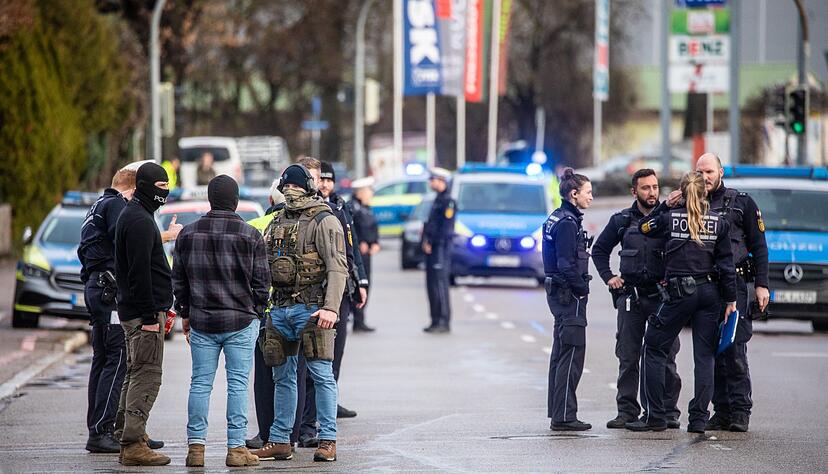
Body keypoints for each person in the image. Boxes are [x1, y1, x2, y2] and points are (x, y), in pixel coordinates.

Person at [626, 171, 737, 433]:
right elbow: (726, 265)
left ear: (681, 193)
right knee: (705, 357)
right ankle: (698, 419)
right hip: (710, 294)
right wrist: (731, 299)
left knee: (653, 348)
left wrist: (665, 204)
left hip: (679, 294)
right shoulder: (718, 223)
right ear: (705, 193)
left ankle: (656, 417)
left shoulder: (668, 218)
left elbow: (643, 227)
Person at [251, 164, 348, 463]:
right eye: (286, 185)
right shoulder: (276, 220)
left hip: (313, 309)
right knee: (283, 377)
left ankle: (327, 440)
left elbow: (337, 266)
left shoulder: (325, 220)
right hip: (279, 309)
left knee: (321, 375)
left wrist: (331, 307)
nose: (290, 190)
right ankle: (280, 440)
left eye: (295, 185)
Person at [172, 175, 269, 467]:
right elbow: (262, 282)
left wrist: (186, 314)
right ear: (236, 201)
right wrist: (257, 312)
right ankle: (236, 449)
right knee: (238, 384)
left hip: (202, 321)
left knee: (200, 383)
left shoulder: (187, 234)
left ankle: (196, 449)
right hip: (241, 320)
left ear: (210, 200)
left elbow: (179, 281)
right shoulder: (250, 235)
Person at [591, 169, 682, 430]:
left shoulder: (668, 219)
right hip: (631, 296)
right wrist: (609, 277)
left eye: (654, 187)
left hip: (661, 297)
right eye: (645, 188)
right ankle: (627, 411)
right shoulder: (621, 220)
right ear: (635, 192)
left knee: (665, 356)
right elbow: (599, 251)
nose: (652, 193)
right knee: (628, 356)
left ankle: (666, 411)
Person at [296, 161, 369, 448]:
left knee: (333, 357)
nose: (324, 184)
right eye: (320, 179)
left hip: (342, 291)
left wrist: (360, 282)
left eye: (328, 180)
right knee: (316, 362)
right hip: (318, 294)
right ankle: (308, 422)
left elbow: (351, 250)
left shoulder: (340, 208)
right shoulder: (313, 212)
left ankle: (327, 406)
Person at [696, 153, 769, 433]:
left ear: (721, 172)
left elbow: (759, 246)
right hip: (706, 286)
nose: (705, 177)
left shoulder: (742, 203)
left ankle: (740, 410)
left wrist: (762, 284)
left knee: (734, 348)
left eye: (710, 171)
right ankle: (722, 409)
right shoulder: (693, 202)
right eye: (700, 172)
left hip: (736, 285)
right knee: (711, 349)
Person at [113, 162, 173, 466]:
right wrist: (151, 317)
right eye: (161, 187)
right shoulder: (138, 220)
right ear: (147, 186)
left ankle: (128, 431)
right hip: (142, 315)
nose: (165, 192)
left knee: (135, 372)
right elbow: (139, 274)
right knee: (147, 375)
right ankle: (133, 443)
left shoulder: (138, 214)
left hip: (136, 311)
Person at [78, 169, 135, 453]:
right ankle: (102, 430)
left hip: (96, 287)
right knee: (117, 358)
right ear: (131, 189)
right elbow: (125, 241)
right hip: (108, 291)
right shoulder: (115, 206)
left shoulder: (96, 206)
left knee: (102, 360)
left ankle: (97, 428)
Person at [543, 168, 594, 431]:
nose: (591, 198)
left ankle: (559, 412)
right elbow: (565, 263)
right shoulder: (567, 223)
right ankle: (564, 415)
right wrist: (580, 288)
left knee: (562, 353)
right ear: (573, 194)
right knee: (571, 355)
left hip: (560, 294)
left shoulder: (558, 217)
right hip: (568, 295)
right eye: (588, 193)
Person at [245, 180, 286, 450]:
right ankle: (290, 433)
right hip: (294, 309)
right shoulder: (307, 223)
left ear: (269, 202)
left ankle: (265, 433)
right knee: (293, 376)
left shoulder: (255, 226)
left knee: (264, 377)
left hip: (262, 312)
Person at [422, 168, 455, 333]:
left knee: (440, 284)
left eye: (432, 179)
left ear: (441, 180)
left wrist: (433, 242)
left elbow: (445, 229)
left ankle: (443, 320)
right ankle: (435, 319)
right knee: (431, 285)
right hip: (433, 248)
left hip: (440, 249)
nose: (430, 183)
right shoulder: (437, 199)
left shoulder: (448, 201)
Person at [348, 177, 380, 333]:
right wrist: (362, 242)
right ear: (360, 192)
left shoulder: (365, 207)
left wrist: (375, 242)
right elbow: (352, 231)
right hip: (358, 254)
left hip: (367, 253)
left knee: (367, 283)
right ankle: (358, 319)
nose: (371, 194)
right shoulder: (352, 208)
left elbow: (372, 228)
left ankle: (360, 319)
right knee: (359, 283)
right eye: (368, 191)